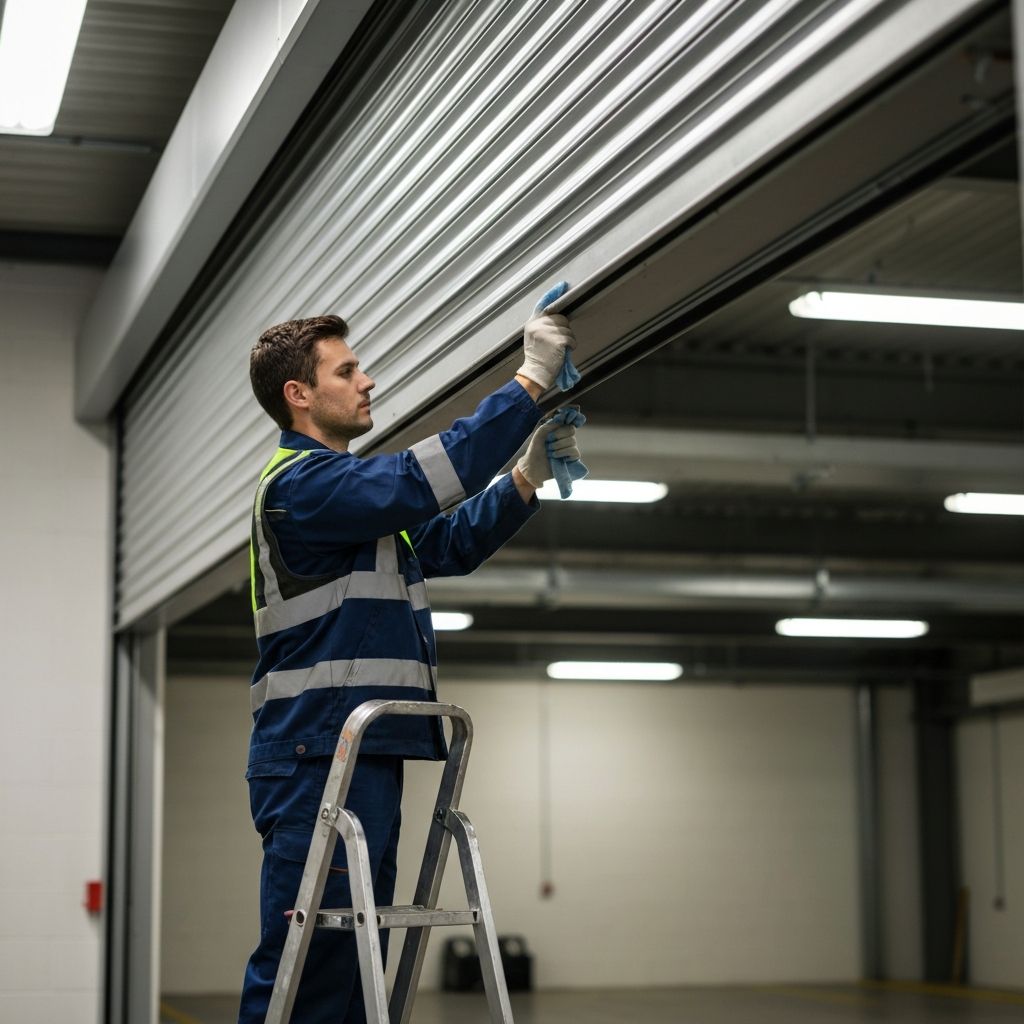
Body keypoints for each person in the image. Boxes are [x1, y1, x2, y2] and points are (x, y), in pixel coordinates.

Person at [238, 300, 582, 1023]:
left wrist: (525, 477)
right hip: (313, 755)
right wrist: (528, 382)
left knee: (356, 969)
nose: (366, 382)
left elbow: (446, 543)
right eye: (347, 370)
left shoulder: (348, 503)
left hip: (359, 748)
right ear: (298, 395)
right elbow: (416, 482)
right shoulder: (300, 489)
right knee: (307, 972)